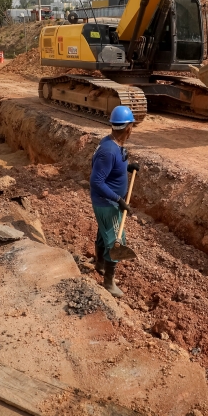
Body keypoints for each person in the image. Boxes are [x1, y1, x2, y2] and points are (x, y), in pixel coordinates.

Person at [89, 105, 140, 298]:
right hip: (107, 203)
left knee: (104, 233)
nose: (132, 129)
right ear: (128, 128)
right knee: (116, 241)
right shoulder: (109, 151)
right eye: (132, 126)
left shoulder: (112, 144)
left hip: (107, 201)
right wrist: (118, 199)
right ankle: (109, 283)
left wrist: (128, 167)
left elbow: (110, 169)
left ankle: (100, 265)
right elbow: (96, 181)